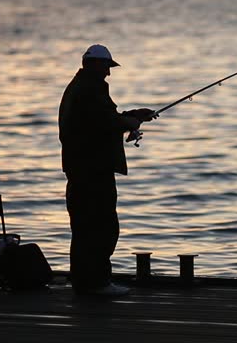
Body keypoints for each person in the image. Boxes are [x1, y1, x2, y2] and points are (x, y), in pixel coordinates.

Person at [58, 44, 154, 296]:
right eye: (107, 67)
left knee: (84, 228)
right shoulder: (90, 89)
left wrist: (133, 116)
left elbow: (99, 120)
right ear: (96, 65)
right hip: (93, 169)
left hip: (82, 169)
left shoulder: (82, 88)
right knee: (101, 227)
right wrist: (129, 122)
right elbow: (104, 122)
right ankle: (97, 283)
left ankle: (85, 282)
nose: (109, 73)